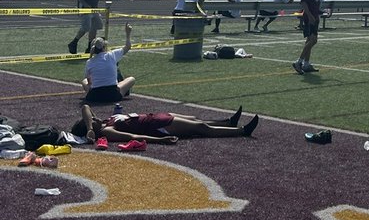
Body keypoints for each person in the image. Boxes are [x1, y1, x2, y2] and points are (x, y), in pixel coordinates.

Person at [74, 102, 258, 143]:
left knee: (195, 120)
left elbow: (86, 108)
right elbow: (133, 136)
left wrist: (90, 126)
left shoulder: (105, 121)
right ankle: (242, 131)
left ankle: (228, 122)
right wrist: (160, 141)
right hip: (157, 126)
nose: (95, 118)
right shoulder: (108, 131)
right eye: (91, 122)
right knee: (201, 128)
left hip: (155, 116)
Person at [82, 23, 136, 105]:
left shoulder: (89, 62)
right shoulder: (112, 55)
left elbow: (89, 81)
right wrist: (128, 33)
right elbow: (127, 47)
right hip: (113, 95)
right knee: (131, 79)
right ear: (104, 47)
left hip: (94, 97)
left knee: (84, 81)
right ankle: (122, 90)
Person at [292, 0, 322, 73]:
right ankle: (298, 62)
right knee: (313, 40)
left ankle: (306, 64)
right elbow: (304, 3)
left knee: (310, 40)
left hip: (315, 16)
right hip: (309, 17)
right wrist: (309, 16)